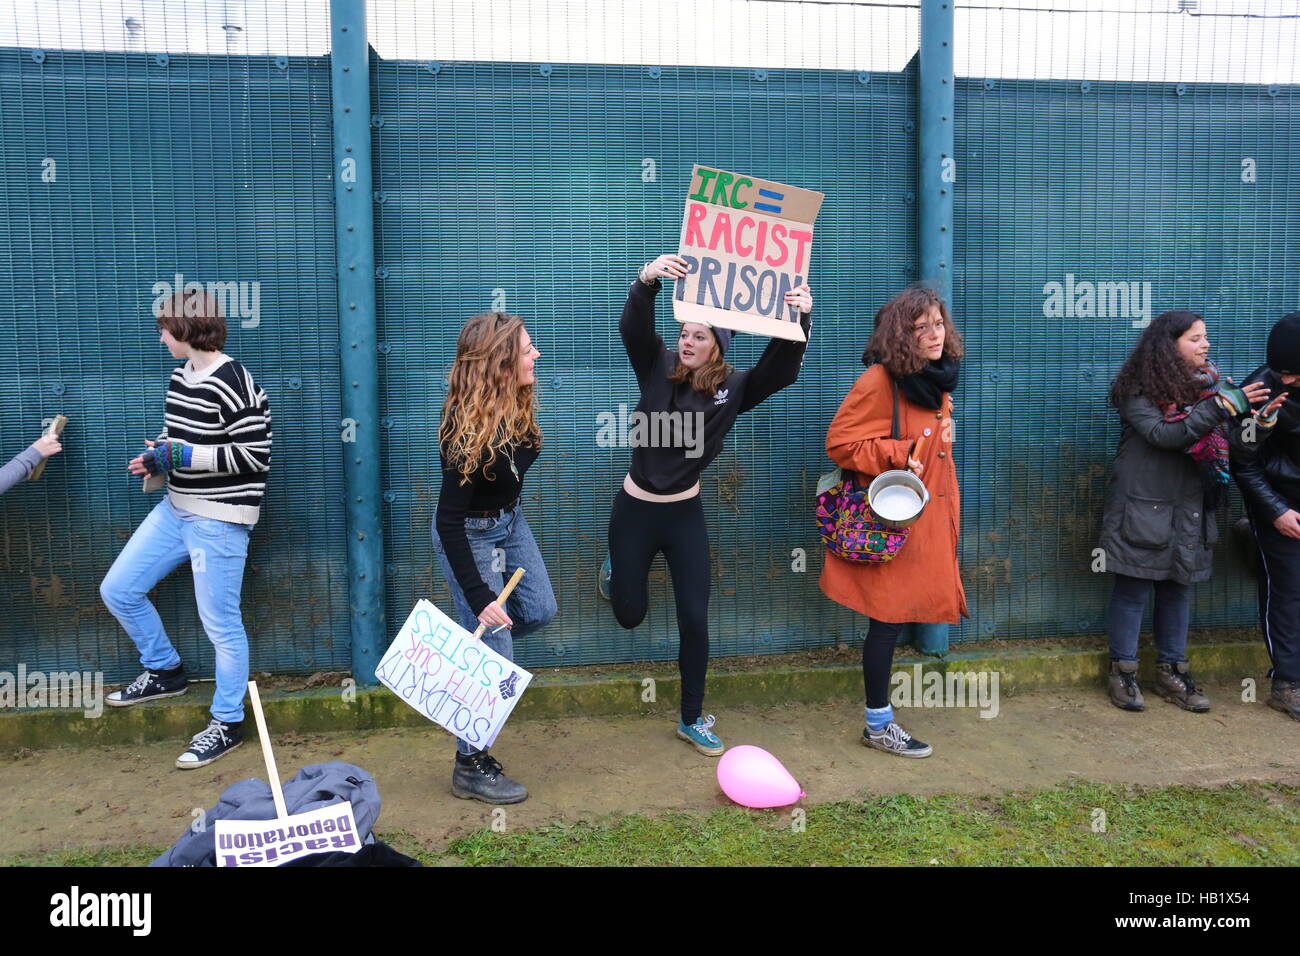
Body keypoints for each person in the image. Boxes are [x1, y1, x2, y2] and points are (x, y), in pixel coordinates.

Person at [600, 253, 813, 756]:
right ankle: (618, 570)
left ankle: (691, 718)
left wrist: (800, 316)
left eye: (699, 336)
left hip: (684, 516)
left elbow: (779, 369)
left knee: (695, 619)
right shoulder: (656, 365)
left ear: (719, 343)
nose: (687, 342)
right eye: (684, 333)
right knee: (630, 615)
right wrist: (645, 279)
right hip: (634, 510)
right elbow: (633, 327)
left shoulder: (734, 387)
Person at [100, 288, 272, 769]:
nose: (160, 339)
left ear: (186, 330)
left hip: (219, 520)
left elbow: (254, 458)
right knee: (118, 589)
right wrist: (156, 457)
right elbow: (177, 440)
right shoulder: (180, 375)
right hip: (176, 509)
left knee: (221, 626)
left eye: (164, 330)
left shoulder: (235, 381)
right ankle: (164, 670)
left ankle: (227, 723)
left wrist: (181, 456)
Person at [1099, 310, 1271, 713]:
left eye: (1205, 337)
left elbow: (1232, 447)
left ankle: (1173, 671)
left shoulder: (1213, 388)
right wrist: (1222, 407)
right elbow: (1166, 434)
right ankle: (1122, 674)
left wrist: (1259, 424)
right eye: (1195, 338)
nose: (1205, 345)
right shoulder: (1137, 390)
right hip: (1143, 509)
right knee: (1133, 589)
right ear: (1169, 345)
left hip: (1192, 508)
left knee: (1178, 589)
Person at [819, 284, 966, 758]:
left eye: (938, 323)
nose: (933, 334)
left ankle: (880, 719)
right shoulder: (880, 381)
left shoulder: (939, 378)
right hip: (892, 522)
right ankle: (878, 723)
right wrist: (898, 452)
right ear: (900, 334)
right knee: (884, 620)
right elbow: (840, 444)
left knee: (893, 619)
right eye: (920, 327)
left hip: (928, 517)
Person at [432, 311, 557, 804]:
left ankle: (470, 658)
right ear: (502, 363)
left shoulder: (515, 404)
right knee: (495, 651)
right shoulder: (463, 433)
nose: (537, 356)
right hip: (470, 535)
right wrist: (481, 596)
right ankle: (470, 764)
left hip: (510, 520)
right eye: (527, 351)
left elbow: (520, 462)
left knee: (539, 610)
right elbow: (447, 522)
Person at [1228, 311, 1300, 721]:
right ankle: (1288, 682)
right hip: (1281, 503)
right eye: (1281, 371)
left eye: (1294, 372)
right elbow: (1243, 462)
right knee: (1287, 591)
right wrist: (1275, 512)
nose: (1285, 379)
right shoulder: (1261, 388)